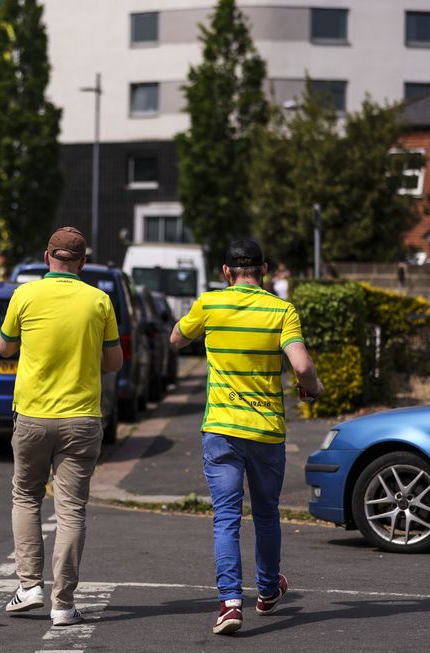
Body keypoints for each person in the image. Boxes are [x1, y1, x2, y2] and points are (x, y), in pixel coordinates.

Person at [169, 239, 322, 636]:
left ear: (226, 271)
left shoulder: (210, 304)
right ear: (264, 270)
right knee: (267, 514)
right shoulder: (281, 310)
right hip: (267, 431)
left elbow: (175, 340)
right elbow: (301, 365)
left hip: (221, 429)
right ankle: (268, 591)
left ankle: (230, 603)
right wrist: (314, 387)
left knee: (226, 517)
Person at [0, 227, 124, 627]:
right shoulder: (99, 300)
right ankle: (63, 604)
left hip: (32, 415)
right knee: (70, 511)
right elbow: (114, 363)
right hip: (82, 418)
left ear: (47, 255)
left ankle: (29, 586)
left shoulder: (25, 295)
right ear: (82, 262)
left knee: (26, 497)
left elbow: (5, 347)